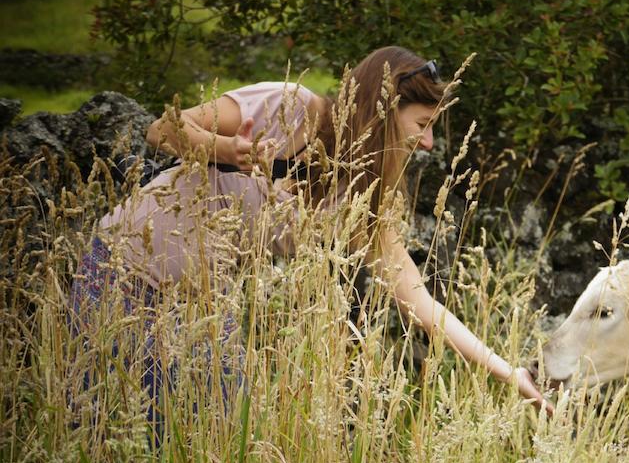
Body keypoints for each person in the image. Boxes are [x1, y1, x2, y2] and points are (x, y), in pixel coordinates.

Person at [68, 45, 549, 435]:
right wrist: (225, 150)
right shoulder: (291, 107)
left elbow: (418, 299)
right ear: (383, 108)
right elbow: (163, 128)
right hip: (119, 274)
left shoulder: (360, 193)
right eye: (422, 125)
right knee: (105, 435)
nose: (427, 144)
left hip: (201, 313)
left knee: (218, 439)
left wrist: (509, 374)